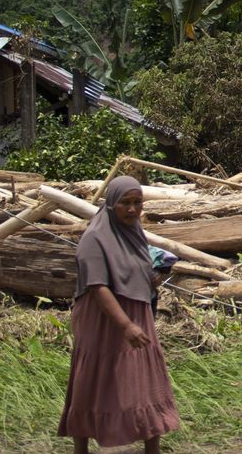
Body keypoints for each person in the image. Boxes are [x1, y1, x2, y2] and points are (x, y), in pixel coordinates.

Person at [58, 176, 180, 453]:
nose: (133, 209)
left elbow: (133, 269)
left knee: (147, 380)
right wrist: (125, 325)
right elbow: (98, 286)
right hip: (103, 319)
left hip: (137, 315)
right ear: (112, 204)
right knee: (95, 379)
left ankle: (153, 447)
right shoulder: (94, 239)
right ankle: (81, 447)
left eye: (138, 203)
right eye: (126, 203)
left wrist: (151, 279)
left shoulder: (134, 232)